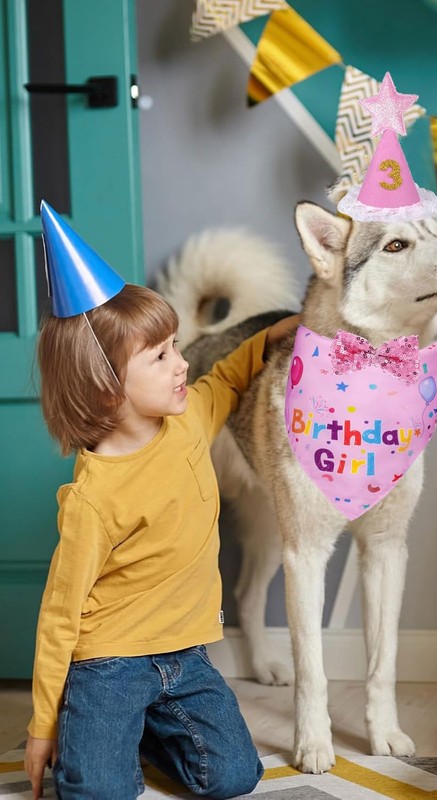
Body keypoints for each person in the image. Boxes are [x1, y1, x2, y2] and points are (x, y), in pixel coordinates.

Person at [24, 277, 299, 799]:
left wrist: (272, 336)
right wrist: (42, 726)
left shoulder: (189, 416)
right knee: (98, 793)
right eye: (160, 356)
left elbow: (228, 376)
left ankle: (141, 730)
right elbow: (60, 616)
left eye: (175, 346)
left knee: (235, 776)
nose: (182, 363)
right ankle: (91, 728)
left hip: (185, 655)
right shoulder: (92, 498)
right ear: (105, 386)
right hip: (109, 664)